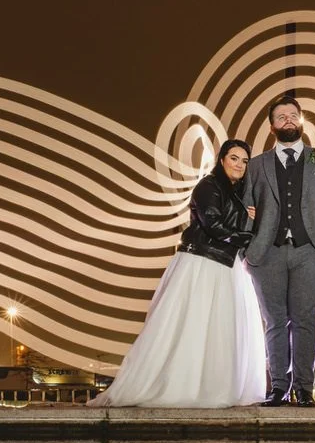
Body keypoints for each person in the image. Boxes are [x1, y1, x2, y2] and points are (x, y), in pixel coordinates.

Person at [91, 140, 266, 407]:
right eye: (234, 158)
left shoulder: (237, 193)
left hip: (226, 263)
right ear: (221, 159)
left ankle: (213, 386)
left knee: (220, 329)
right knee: (191, 324)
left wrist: (249, 217)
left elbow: (229, 223)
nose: (239, 165)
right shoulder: (209, 186)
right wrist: (250, 236)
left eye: (244, 161)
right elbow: (213, 224)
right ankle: (180, 386)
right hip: (202, 261)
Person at [242, 95, 315, 408]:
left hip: (311, 252)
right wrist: (247, 248)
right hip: (267, 253)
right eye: (281, 116)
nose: (288, 120)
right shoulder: (257, 165)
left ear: (301, 121)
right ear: (272, 126)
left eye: (293, 115)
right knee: (275, 321)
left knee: (305, 320)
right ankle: (278, 387)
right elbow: (245, 205)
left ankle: (303, 388)